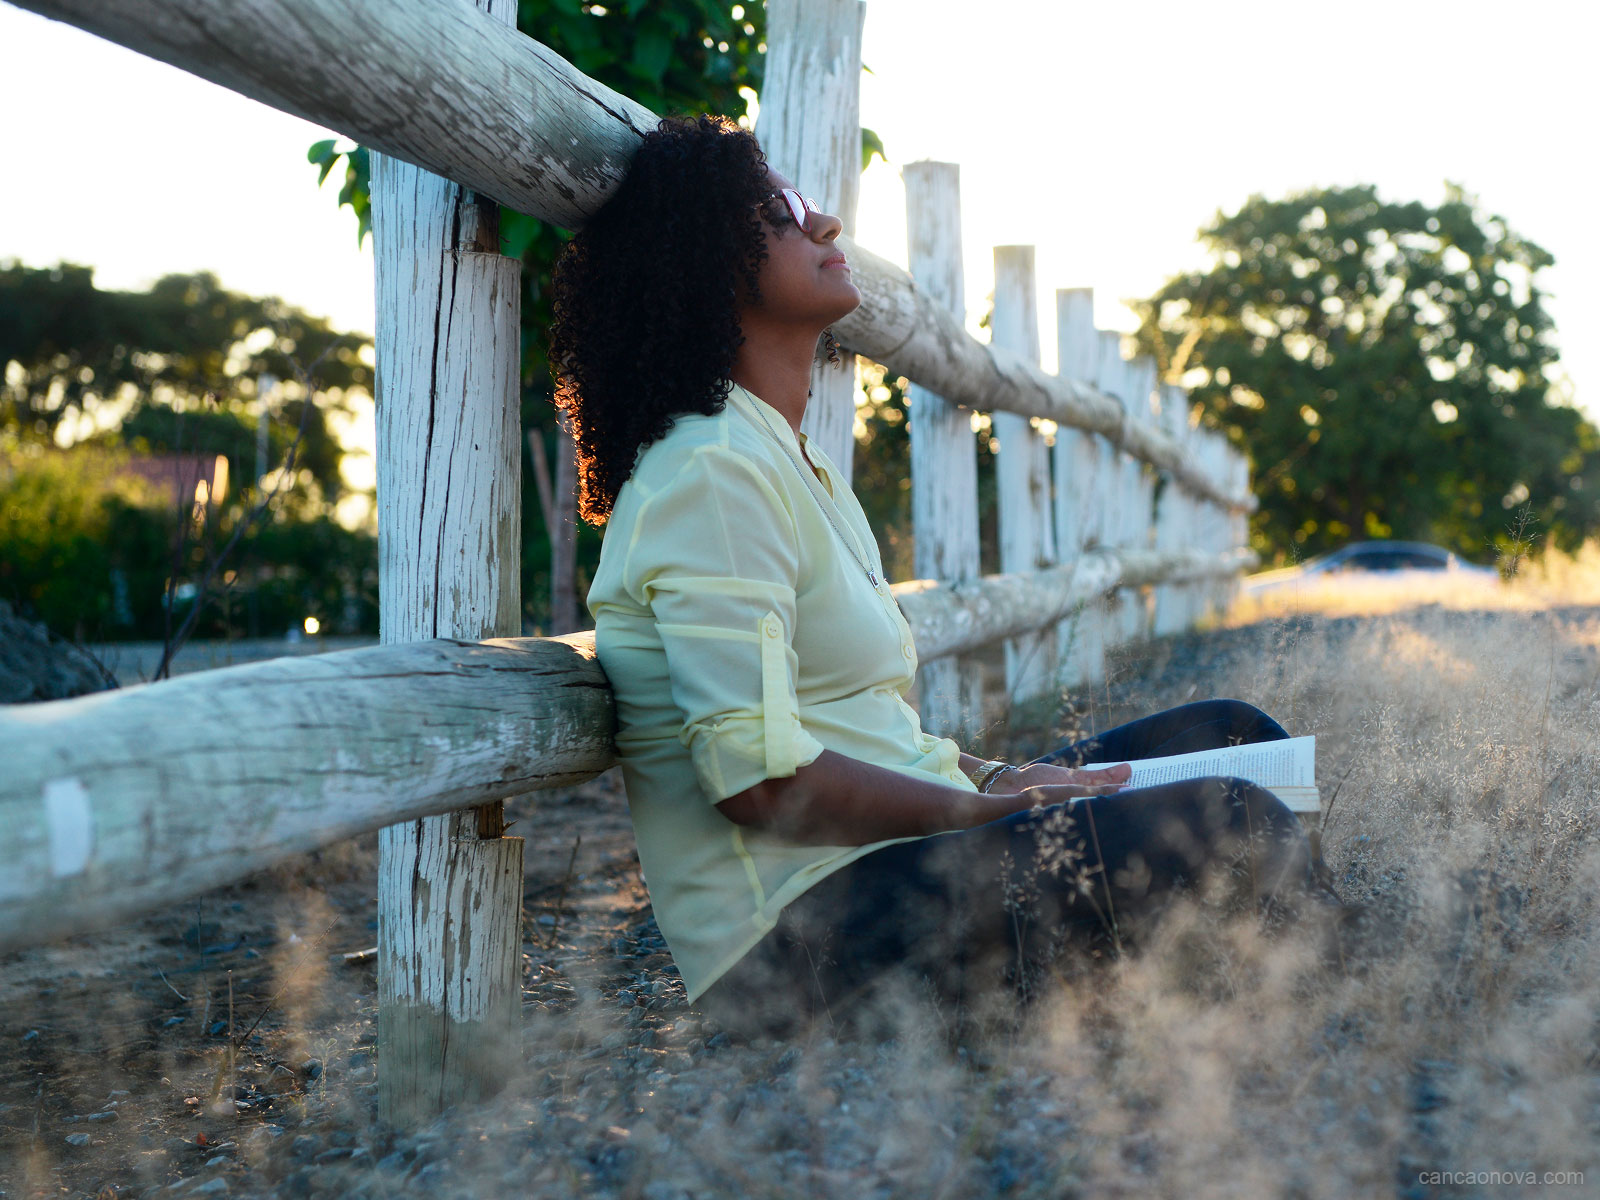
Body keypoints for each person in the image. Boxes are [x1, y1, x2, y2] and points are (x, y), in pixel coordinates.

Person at [552, 114, 1342, 1039]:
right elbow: (755, 780)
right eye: (780, 210)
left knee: (1234, 734)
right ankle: (1331, 1012)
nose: (824, 225)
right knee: (1234, 812)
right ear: (701, 260)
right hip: (800, 943)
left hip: (896, 864)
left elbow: (871, 727)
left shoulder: (784, 458)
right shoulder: (709, 471)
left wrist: (1008, 775)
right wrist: (979, 813)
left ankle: (1286, 988)